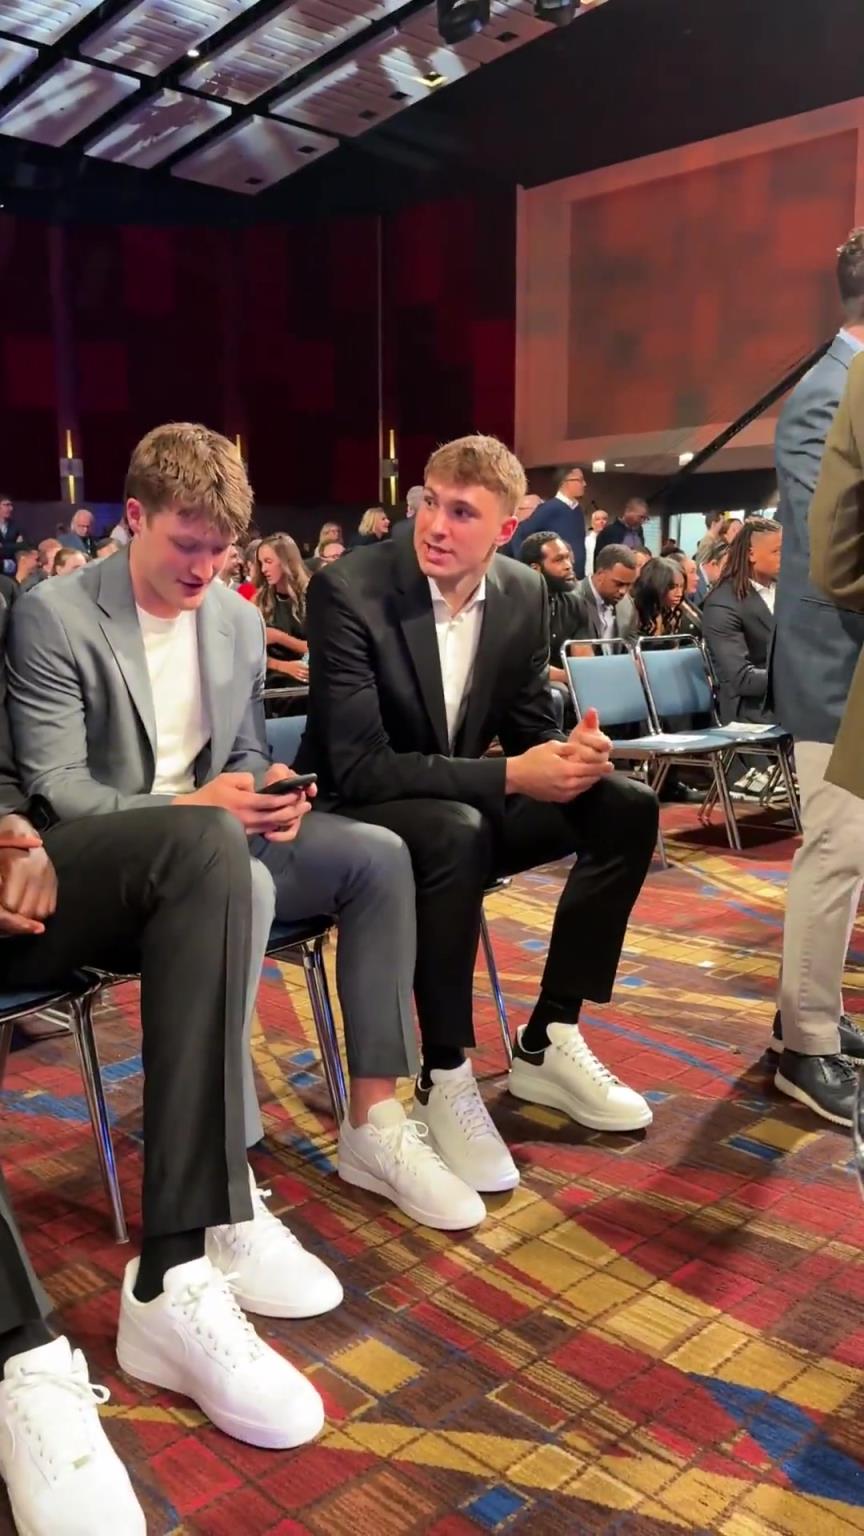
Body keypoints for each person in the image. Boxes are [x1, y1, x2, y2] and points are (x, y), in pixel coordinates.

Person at [8, 423, 479, 1234]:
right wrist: (201, 810)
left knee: (379, 857)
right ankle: (222, 1162)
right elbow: (61, 789)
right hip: (117, 855)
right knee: (236, 873)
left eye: (220, 550)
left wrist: (269, 791)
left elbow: (247, 752)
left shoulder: (235, 618)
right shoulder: (57, 615)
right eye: (186, 545)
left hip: (223, 835)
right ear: (134, 516)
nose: (203, 568)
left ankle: (376, 1120)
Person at [0, 608, 329, 1533]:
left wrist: (11, 830)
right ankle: (19, 1350)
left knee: (205, 845)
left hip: (15, 862)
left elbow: (15, 767)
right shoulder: (58, 612)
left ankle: (174, 1273)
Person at [296, 434, 659, 1207]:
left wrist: (571, 755)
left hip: (458, 802)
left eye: (462, 512)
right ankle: (444, 1073)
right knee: (456, 830)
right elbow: (357, 767)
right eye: (430, 502)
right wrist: (512, 775)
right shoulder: (348, 589)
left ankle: (547, 1036)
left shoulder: (522, 591)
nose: (435, 525)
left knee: (626, 808)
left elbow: (528, 730)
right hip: (364, 810)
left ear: (504, 528)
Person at [701, 517, 781, 723]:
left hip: (792, 701)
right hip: (751, 709)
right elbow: (742, 678)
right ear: (751, 554)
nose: (786, 558)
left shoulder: (787, 592)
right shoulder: (722, 603)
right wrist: (801, 679)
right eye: (778, 551)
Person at [518, 531, 583, 682]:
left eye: (568, 558)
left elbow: (583, 658)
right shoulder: (517, 606)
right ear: (535, 569)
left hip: (568, 682)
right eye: (559, 560)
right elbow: (524, 667)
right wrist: (572, 677)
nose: (568, 566)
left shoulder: (575, 603)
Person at [253, 534, 310, 687]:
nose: (263, 569)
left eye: (268, 562)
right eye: (261, 563)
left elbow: (321, 646)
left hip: (307, 679)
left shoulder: (311, 596)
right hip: (271, 681)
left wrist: (279, 637)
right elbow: (247, 653)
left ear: (286, 561)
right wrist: (282, 666)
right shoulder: (258, 600)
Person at [508, 468, 588, 575]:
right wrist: (525, 566)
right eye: (580, 480)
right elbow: (520, 532)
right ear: (564, 482)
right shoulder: (549, 508)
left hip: (575, 575)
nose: (584, 484)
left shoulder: (577, 510)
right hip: (556, 577)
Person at [571, 544, 639, 647]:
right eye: (619, 584)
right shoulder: (571, 600)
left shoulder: (627, 604)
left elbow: (632, 645)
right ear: (600, 575)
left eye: (628, 585)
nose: (623, 591)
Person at [630, 556, 686, 638]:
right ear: (657, 585)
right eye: (672, 587)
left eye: (682, 586)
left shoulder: (670, 614)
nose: (679, 593)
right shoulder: (632, 612)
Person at [694, 537, 729, 605]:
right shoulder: (693, 582)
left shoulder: (709, 584)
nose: (728, 574)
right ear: (713, 563)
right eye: (726, 568)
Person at [584, 508, 609, 576]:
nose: (601, 521)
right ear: (592, 523)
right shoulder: (586, 541)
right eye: (597, 519)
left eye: (604, 519)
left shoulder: (611, 541)